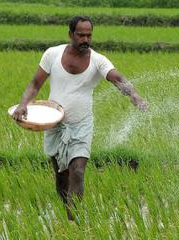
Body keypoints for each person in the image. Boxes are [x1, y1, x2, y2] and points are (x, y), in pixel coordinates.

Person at [12, 16, 148, 221]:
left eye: (89, 35)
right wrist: (23, 105)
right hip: (54, 124)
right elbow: (35, 84)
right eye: (81, 35)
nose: (86, 39)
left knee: (77, 170)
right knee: (61, 178)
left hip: (81, 124)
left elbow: (117, 78)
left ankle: (74, 219)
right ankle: (67, 214)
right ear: (71, 35)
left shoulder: (98, 60)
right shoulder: (52, 54)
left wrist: (134, 95)